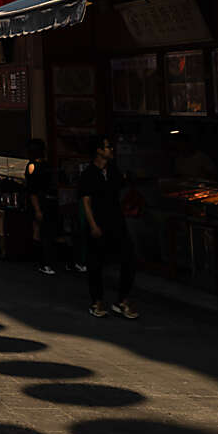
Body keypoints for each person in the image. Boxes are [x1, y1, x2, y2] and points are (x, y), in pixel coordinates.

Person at [78, 133, 137, 318]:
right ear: (98, 151)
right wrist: (93, 225)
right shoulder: (88, 174)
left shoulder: (113, 170)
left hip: (116, 221)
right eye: (107, 147)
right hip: (98, 222)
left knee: (128, 259)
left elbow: (122, 187)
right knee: (95, 263)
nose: (111, 150)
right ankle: (97, 301)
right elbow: (86, 201)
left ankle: (122, 300)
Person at [25, 137, 59, 276]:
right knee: (46, 231)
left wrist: (37, 209)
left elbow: (32, 189)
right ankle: (45, 261)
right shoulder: (47, 166)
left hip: (39, 201)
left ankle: (43, 261)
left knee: (40, 231)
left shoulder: (32, 166)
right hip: (49, 201)